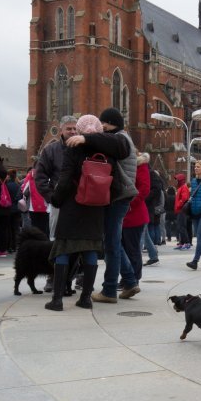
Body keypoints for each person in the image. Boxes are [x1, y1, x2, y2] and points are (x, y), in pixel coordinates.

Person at [46, 115, 118, 311]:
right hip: (96, 208)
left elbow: (65, 178)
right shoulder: (107, 149)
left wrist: (56, 199)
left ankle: (57, 300)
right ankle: (85, 298)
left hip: (72, 205)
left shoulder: (74, 148)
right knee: (90, 250)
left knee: (62, 248)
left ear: (79, 130)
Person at [66, 107, 134, 304]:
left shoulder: (121, 138)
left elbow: (112, 143)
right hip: (120, 196)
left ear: (109, 123)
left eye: (103, 124)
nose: (100, 128)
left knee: (111, 244)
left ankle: (110, 290)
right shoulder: (119, 137)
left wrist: (87, 139)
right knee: (113, 242)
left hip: (118, 196)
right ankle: (129, 281)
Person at [35, 115, 78, 239]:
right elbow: (40, 177)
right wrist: (52, 198)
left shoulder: (82, 148)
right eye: (69, 129)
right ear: (61, 130)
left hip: (80, 201)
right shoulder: (51, 150)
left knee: (78, 239)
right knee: (57, 239)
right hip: (60, 202)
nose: (73, 131)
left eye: (75, 128)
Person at [117, 152, 151, 299]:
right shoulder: (122, 164)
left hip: (134, 215)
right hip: (123, 215)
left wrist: (129, 204)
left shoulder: (140, 164)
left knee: (132, 250)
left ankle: (134, 279)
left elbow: (144, 189)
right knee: (123, 249)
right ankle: (127, 278)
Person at [143, 165, 165, 266]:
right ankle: (153, 256)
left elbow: (157, 189)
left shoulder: (150, 173)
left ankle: (135, 258)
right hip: (146, 206)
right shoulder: (147, 172)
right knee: (144, 233)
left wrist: (144, 197)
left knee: (142, 232)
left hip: (146, 206)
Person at [173, 173, 191, 250]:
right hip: (180, 210)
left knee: (182, 227)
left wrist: (178, 205)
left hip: (181, 210)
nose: (176, 181)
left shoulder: (183, 187)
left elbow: (184, 198)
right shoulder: (181, 187)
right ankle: (182, 243)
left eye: (177, 179)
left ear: (180, 180)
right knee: (180, 227)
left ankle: (186, 243)